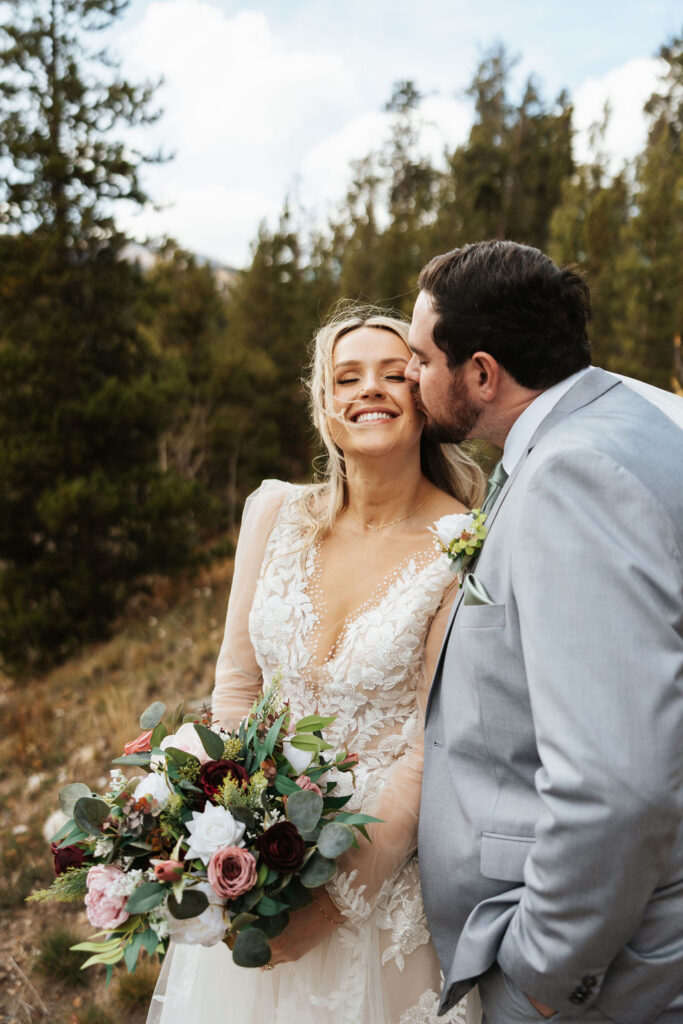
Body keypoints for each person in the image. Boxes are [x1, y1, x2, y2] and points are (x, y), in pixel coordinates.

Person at [147, 306, 485, 1024]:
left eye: (396, 375)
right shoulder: (275, 515)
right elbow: (236, 691)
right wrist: (228, 849)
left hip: (377, 886)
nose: (371, 390)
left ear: (424, 400)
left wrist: (327, 907)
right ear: (325, 408)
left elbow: (431, 753)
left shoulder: (458, 545)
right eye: (348, 377)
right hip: (258, 864)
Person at [408, 240, 683, 1023]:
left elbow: (617, 786)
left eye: (423, 359)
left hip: (614, 968)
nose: (413, 379)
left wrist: (544, 970)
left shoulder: (572, 477)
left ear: (482, 373)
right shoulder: (630, 422)